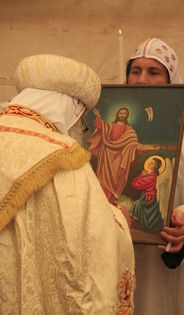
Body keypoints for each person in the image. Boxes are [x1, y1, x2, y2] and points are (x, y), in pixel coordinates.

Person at [0, 54, 135, 314]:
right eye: (82, 119)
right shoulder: (64, 158)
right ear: (73, 109)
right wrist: (120, 222)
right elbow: (89, 250)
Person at [126, 38, 184, 314]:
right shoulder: (119, 132)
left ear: (171, 79)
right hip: (124, 256)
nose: (141, 79)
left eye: (153, 71)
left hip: (174, 268)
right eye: (135, 71)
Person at [130, 156, 164, 232]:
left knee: (136, 204)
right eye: (149, 162)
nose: (149, 163)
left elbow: (135, 184)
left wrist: (141, 175)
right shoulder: (153, 176)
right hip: (150, 199)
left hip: (148, 200)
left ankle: (139, 225)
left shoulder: (151, 178)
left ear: (155, 166)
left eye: (152, 163)